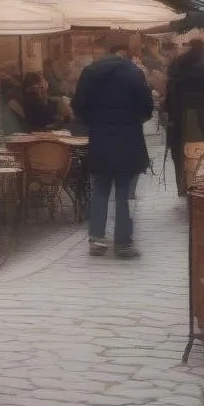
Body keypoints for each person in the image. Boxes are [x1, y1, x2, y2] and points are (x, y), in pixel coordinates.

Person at [72, 31, 154, 259]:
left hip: (100, 138)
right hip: (129, 139)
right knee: (125, 193)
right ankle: (123, 243)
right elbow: (147, 107)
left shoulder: (90, 72)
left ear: (105, 50)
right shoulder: (133, 72)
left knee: (99, 190)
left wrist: (95, 123)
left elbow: (78, 106)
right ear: (124, 50)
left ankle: (97, 239)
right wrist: (132, 119)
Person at [165, 32, 204, 196]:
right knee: (201, 151)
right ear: (202, 47)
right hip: (201, 115)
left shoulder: (177, 63)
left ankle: (183, 186)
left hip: (180, 116)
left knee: (180, 152)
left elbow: (170, 91)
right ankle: (199, 185)